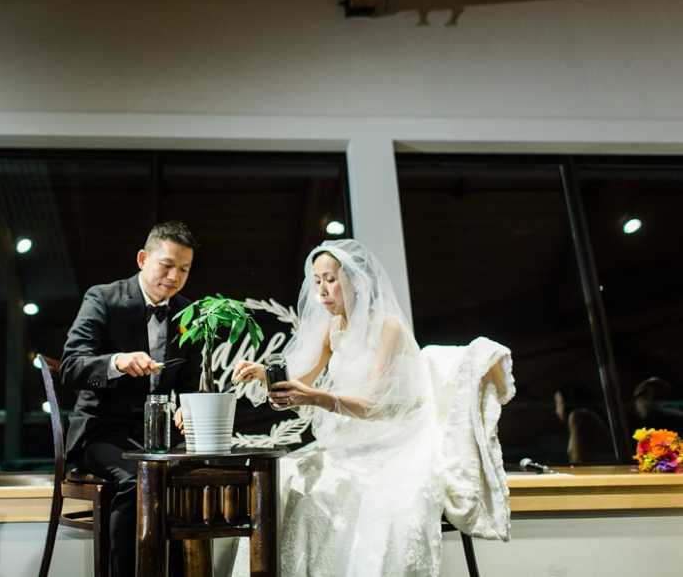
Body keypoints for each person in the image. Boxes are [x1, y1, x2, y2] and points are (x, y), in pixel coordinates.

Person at [230, 239, 515, 577]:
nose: (322, 290)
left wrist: (315, 397)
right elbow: (300, 376)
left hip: (396, 438)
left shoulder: (388, 328)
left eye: (330, 279)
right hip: (355, 438)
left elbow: (374, 404)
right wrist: (264, 373)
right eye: (317, 281)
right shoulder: (333, 328)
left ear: (356, 281)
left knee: (350, 498)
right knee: (290, 481)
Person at [60, 220, 202, 576]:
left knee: (199, 479)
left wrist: (187, 406)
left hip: (158, 436)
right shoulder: (104, 298)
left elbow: (188, 379)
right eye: (166, 265)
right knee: (136, 481)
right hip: (101, 432)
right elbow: (70, 367)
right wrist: (117, 362)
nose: (174, 276)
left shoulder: (188, 313)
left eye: (183, 269)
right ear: (143, 259)